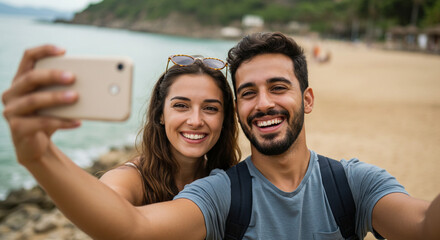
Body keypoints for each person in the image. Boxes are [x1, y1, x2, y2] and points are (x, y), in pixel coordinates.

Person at [2, 34, 439, 240]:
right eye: (247, 93)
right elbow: (127, 225)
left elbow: (423, 225)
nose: (263, 103)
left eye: (278, 87)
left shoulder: (352, 183)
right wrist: (39, 155)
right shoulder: (221, 192)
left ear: (307, 99)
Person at [100, 54, 240, 205]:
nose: (195, 121)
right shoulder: (129, 179)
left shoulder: (229, 179)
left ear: (224, 118)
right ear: (161, 114)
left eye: (211, 108)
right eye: (181, 105)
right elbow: (104, 207)